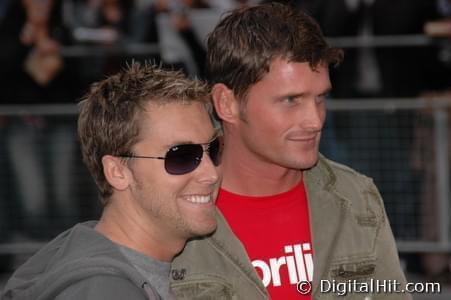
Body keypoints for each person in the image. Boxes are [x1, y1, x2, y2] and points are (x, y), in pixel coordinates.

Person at [170, 3, 411, 299]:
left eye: (320, 98)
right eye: (291, 100)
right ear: (226, 104)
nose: (314, 120)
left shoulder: (357, 198)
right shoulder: (169, 211)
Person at [1, 62, 221, 300]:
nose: (211, 173)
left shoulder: (114, 265)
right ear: (117, 171)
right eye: (182, 156)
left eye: (215, 148)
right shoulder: (102, 291)